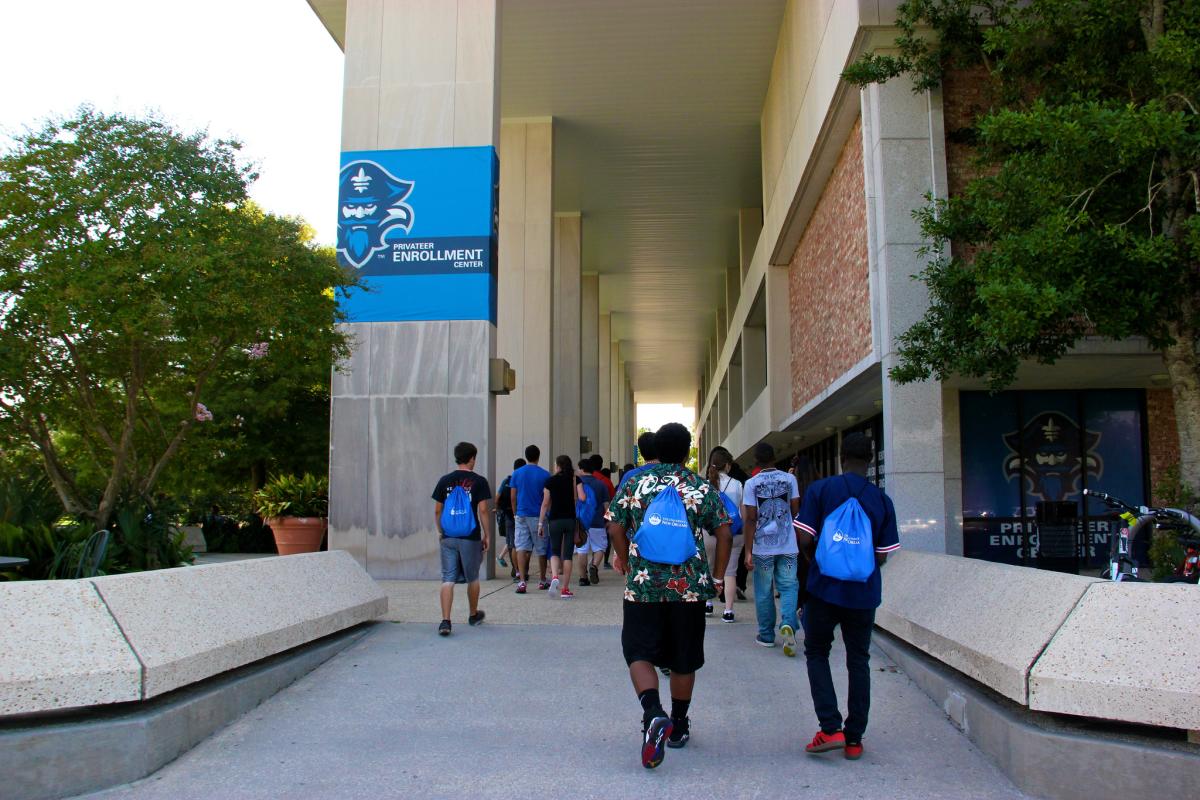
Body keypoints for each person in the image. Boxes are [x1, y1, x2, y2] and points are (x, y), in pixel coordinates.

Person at [606, 422, 732, 769]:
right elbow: (724, 532)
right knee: (683, 656)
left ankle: (653, 712)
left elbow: (614, 525)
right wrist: (717, 577)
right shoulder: (699, 485)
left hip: (643, 585)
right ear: (686, 450)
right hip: (688, 587)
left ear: (656, 450)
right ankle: (678, 726)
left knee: (638, 652)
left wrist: (625, 559)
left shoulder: (634, 482)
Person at [793, 433, 900, 761]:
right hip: (863, 594)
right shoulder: (881, 500)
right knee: (859, 659)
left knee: (817, 652)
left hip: (823, 590)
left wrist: (817, 562)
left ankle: (830, 726)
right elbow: (883, 554)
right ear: (870, 459)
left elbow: (803, 537)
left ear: (841, 457)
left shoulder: (821, 490)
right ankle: (854, 738)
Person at [742, 441, 801, 654]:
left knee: (764, 591)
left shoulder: (751, 483)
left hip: (762, 547)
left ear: (756, 461)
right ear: (774, 457)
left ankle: (766, 635)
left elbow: (750, 518)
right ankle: (788, 623)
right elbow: (795, 510)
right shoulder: (789, 478)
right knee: (788, 586)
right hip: (788, 544)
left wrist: (748, 550)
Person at [431, 441, 493, 636]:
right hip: (470, 536)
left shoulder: (444, 480)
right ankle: (473, 614)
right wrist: (487, 534)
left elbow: (438, 509)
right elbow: (483, 509)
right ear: (472, 458)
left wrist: (440, 531)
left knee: (448, 579)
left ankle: (445, 621)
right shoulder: (479, 481)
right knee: (472, 577)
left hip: (448, 536)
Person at [704, 449, 743, 621]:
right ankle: (728, 611)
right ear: (727, 465)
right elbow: (742, 511)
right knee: (730, 572)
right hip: (734, 532)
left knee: (709, 567)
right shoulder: (737, 484)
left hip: (710, 533)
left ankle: (708, 603)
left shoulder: (705, 485)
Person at [538, 455, 586, 598]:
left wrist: (540, 523)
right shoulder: (575, 479)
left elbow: (545, 503)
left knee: (554, 551)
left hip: (554, 520)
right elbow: (582, 497)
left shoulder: (550, 481)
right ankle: (565, 589)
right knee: (568, 555)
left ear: (558, 466)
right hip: (570, 520)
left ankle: (554, 577)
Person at [510, 445, 551, 594]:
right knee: (541, 548)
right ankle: (542, 579)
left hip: (521, 514)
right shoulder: (545, 475)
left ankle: (521, 581)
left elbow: (513, 496)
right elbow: (548, 498)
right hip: (538, 515)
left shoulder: (517, 473)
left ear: (526, 456)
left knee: (521, 547)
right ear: (538, 456)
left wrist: (515, 513)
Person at [576, 455, 610, 586]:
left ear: (582, 469)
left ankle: (583, 578)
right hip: (597, 522)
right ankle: (594, 565)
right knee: (600, 547)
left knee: (581, 550)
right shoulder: (601, 484)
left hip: (580, 523)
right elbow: (606, 505)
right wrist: (607, 520)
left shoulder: (577, 483)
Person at [495, 458, 525, 578]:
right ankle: (522, 571)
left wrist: (497, 509)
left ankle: (516, 570)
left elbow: (497, 498)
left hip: (508, 515)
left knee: (512, 543)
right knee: (523, 545)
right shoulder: (523, 480)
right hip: (521, 514)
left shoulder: (507, 480)